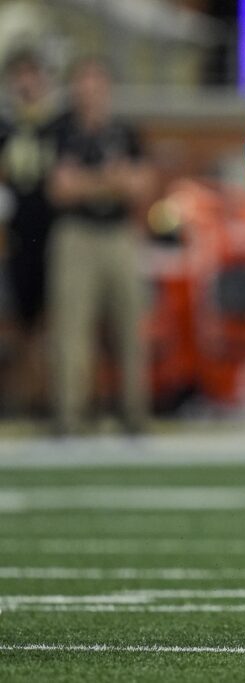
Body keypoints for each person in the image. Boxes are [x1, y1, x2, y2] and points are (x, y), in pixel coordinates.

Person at [48, 58, 153, 435]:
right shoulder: (61, 130)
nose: (89, 91)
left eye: (96, 83)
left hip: (118, 234)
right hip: (76, 235)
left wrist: (87, 183)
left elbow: (142, 184)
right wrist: (111, 180)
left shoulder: (124, 131)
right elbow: (60, 190)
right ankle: (70, 417)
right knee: (72, 331)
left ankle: (135, 415)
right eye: (83, 83)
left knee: (131, 329)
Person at [0, 48, 65, 415]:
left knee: (55, 324)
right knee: (22, 323)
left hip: (57, 233)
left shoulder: (59, 125)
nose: (27, 83)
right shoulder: (7, 127)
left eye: (33, 74)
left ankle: (50, 399)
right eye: (20, 75)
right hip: (18, 236)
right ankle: (23, 400)